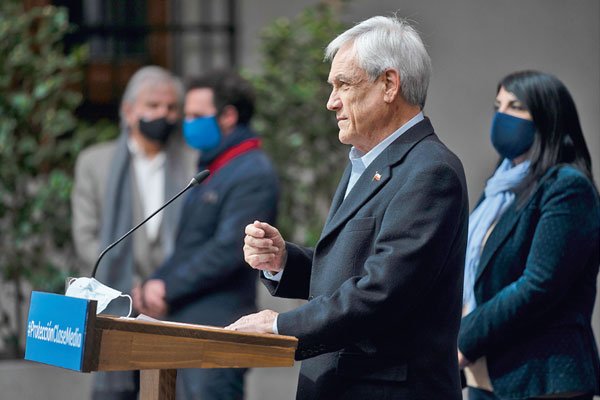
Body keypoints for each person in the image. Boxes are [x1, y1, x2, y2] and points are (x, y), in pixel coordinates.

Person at [228, 16, 468, 400]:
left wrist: (280, 326)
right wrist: (284, 261)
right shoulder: (365, 160)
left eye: (344, 84)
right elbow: (348, 273)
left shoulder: (430, 171)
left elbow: (383, 292)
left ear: (389, 84)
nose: (331, 101)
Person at [134, 70, 279, 400]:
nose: (187, 124)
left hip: (217, 329)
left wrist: (167, 286)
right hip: (189, 323)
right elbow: (190, 245)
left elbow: (229, 249)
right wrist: (153, 283)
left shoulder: (252, 171)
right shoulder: (215, 168)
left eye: (197, 116)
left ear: (228, 116)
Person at [458, 71, 600, 400]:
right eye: (498, 106)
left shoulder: (566, 186)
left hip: (542, 376)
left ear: (548, 116)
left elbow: (539, 284)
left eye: (516, 106)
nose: (502, 116)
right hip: (485, 376)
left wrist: (466, 338)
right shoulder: (501, 188)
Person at [71, 65, 196, 399]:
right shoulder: (94, 163)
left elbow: (198, 237)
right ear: (128, 112)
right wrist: (130, 291)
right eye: (153, 106)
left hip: (176, 306)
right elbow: (86, 237)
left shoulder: (193, 163)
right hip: (115, 305)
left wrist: (166, 288)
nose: (163, 115)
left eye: (171, 108)